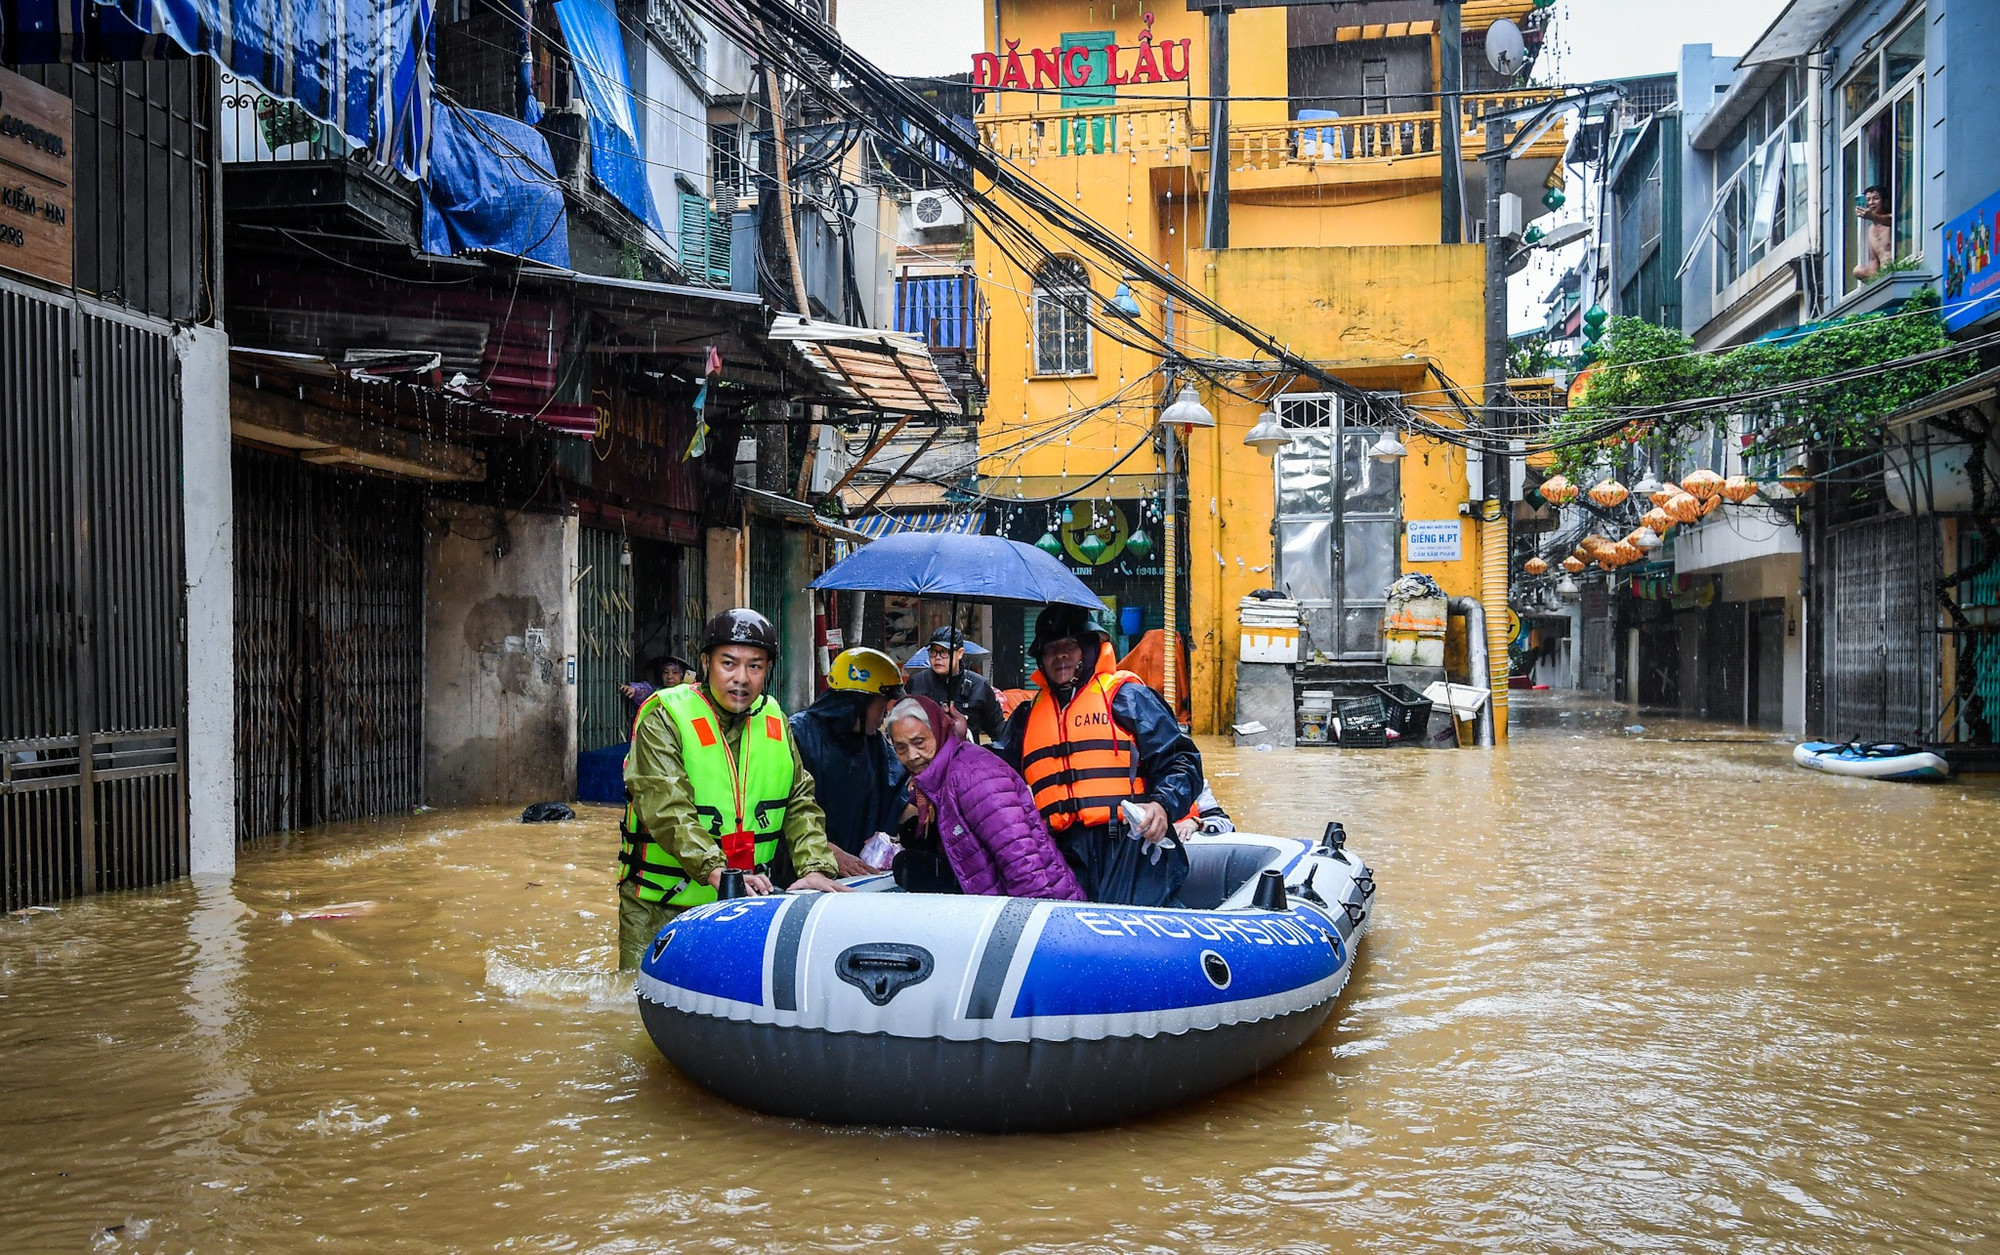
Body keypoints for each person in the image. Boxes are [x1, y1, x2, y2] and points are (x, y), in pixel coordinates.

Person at [618, 609, 847, 969]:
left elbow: (800, 802)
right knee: (636, 1008)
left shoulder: (775, 720)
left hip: (746, 906)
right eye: (729, 663)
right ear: (706, 663)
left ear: (767, 670)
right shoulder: (664, 716)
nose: (741, 678)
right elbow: (667, 807)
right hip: (659, 907)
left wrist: (814, 867)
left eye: (755, 666)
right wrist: (715, 871)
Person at [997, 604, 1203, 907]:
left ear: (1090, 648)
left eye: (1070, 646)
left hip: (1130, 845)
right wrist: (954, 738)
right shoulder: (1027, 716)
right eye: (1051, 649)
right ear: (1041, 659)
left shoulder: (1127, 697)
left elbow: (1182, 761)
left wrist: (1162, 805)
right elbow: (993, 774)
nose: (1061, 656)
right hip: (1062, 850)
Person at [884, 695, 1083, 901]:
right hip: (993, 900)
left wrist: (1030, 917)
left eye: (919, 742)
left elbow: (1020, 857)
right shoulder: (934, 781)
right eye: (901, 748)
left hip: (1039, 904)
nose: (912, 755)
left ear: (938, 730)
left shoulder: (975, 774)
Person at [790, 646, 908, 878]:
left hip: (860, 879)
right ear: (859, 702)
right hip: (804, 877)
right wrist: (824, 850)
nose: (884, 716)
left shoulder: (874, 743)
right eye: (881, 706)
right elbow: (786, 811)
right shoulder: (798, 734)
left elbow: (898, 797)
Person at [905, 626, 1006, 742]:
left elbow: (998, 730)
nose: (938, 658)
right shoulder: (917, 683)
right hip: (926, 757)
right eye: (933, 652)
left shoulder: (978, 685)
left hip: (967, 756)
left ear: (960, 653)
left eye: (944, 652)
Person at [1854, 185, 1895, 281]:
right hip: (1883, 275)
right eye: (1868, 200)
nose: (1871, 203)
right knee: (1858, 270)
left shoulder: (1893, 219)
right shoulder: (1871, 229)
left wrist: (1872, 216)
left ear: (1884, 201)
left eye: (1875, 198)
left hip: (1896, 271)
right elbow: (1874, 260)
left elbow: (1890, 220)